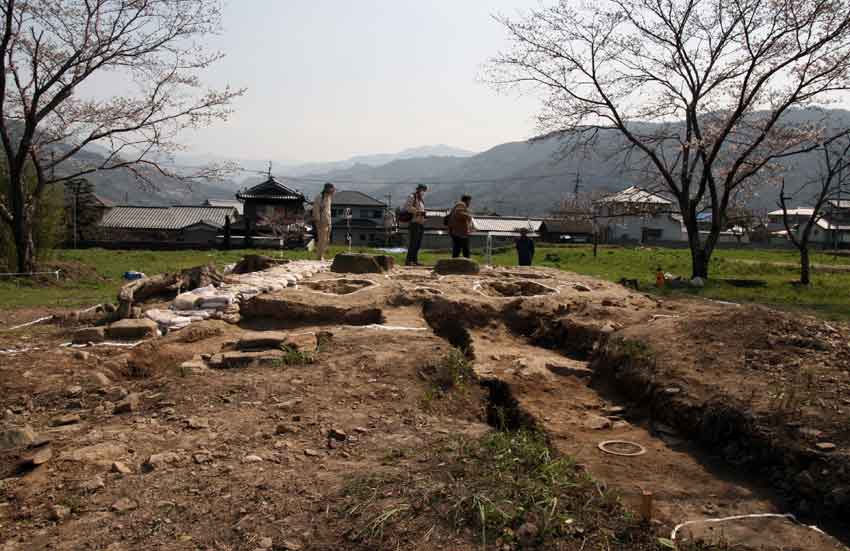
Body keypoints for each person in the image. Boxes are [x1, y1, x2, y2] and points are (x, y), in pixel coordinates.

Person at [403, 184, 427, 266]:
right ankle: (409, 260)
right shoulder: (412, 197)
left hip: (420, 223)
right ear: (418, 189)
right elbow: (407, 207)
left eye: (424, 190)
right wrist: (418, 212)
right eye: (422, 190)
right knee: (413, 242)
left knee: (418, 243)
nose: (423, 192)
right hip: (414, 222)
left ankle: (415, 260)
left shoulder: (421, 200)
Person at [312, 182, 335, 261]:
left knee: (326, 239)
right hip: (321, 221)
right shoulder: (319, 197)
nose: (333, 191)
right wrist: (317, 222)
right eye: (332, 189)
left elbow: (328, 211)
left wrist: (330, 223)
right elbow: (315, 210)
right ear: (328, 189)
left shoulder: (329, 197)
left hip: (328, 221)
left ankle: (322, 255)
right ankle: (319, 256)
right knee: (322, 239)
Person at [447, 194, 473, 258]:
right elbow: (459, 214)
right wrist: (468, 216)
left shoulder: (458, 205)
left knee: (457, 249)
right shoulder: (461, 205)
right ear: (467, 200)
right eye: (469, 201)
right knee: (465, 249)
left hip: (456, 231)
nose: (470, 203)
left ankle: (455, 263)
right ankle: (467, 264)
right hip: (460, 232)